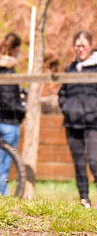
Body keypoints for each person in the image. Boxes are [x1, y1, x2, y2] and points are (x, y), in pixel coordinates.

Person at [58, 30, 97, 208]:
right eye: (77, 45)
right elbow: (62, 92)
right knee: (79, 164)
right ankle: (84, 200)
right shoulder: (71, 69)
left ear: (90, 46)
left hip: (93, 123)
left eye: (83, 45)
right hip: (72, 122)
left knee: (95, 161)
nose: (80, 49)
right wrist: (66, 108)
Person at [0, 33, 26, 195]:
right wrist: (22, 110)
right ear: (16, 49)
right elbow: (8, 99)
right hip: (8, 122)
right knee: (3, 165)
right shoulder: (7, 70)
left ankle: (3, 196)